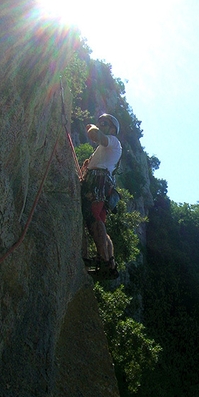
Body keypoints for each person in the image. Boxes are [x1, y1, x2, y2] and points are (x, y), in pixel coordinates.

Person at [81, 113, 122, 278]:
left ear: (112, 129)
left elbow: (95, 134)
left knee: (93, 217)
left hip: (99, 181)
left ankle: (104, 261)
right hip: (104, 183)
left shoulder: (113, 141)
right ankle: (110, 262)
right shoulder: (105, 149)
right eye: (100, 123)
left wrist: (91, 126)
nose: (101, 125)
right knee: (99, 221)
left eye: (104, 123)